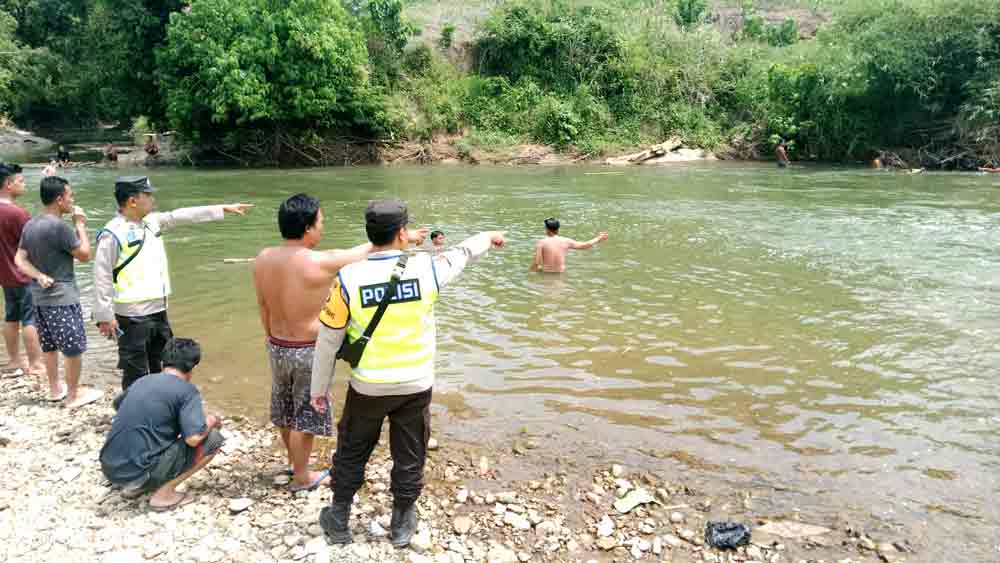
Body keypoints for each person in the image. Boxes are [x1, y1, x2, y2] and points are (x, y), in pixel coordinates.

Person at [311, 200, 506, 547]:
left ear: (370, 234)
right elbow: (463, 254)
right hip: (415, 384)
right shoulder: (427, 269)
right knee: (410, 451)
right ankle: (402, 521)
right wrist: (487, 237)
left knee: (354, 448)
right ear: (402, 233)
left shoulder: (348, 278)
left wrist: (318, 390)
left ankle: (339, 516)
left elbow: (328, 341)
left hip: (368, 386)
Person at [252, 194, 424, 492]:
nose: (322, 227)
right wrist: (403, 236)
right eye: (320, 222)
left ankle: (296, 464)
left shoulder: (263, 258)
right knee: (306, 416)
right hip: (307, 350)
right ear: (307, 228)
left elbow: (263, 306)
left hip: (277, 344)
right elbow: (371, 248)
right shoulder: (319, 261)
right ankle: (302, 477)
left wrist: (270, 337)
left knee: (285, 408)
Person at [93, 176, 253, 390]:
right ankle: (135, 416)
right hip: (132, 316)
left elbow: (180, 216)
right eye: (148, 195)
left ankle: (160, 409)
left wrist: (221, 209)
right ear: (132, 201)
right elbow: (101, 275)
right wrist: (104, 315)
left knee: (164, 365)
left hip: (159, 311)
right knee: (135, 371)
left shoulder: (151, 222)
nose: (153, 199)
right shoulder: (112, 233)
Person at [99, 338, 224, 511]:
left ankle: (136, 486)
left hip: (110, 467)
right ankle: (164, 494)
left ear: (163, 362)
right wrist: (212, 420)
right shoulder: (186, 391)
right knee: (213, 439)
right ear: (192, 367)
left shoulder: (143, 380)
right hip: (138, 472)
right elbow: (194, 439)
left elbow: (118, 404)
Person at [15, 176, 103, 408]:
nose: (72, 199)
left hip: (39, 299)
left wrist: (39, 276)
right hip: (62, 298)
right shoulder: (60, 227)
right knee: (73, 348)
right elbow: (85, 255)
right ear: (59, 199)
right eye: (70, 195)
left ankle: (55, 390)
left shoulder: (31, 224)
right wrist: (81, 225)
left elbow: (19, 259)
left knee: (50, 346)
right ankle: (73, 396)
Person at [0, 163, 43, 376]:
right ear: (8, 184)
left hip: (5, 276)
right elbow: (33, 247)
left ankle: (14, 361)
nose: (24, 184)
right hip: (25, 276)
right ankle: (36, 364)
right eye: (21, 181)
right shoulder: (18, 213)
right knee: (29, 319)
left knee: (10, 317)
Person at [529, 217, 608, 274]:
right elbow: (585, 245)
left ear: (546, 229)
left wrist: (530, 274)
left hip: (547, 274)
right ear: (558, 229)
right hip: (560, 274)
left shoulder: (541, 243)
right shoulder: (566, 241)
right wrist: (598, 238)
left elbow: (536, 263)